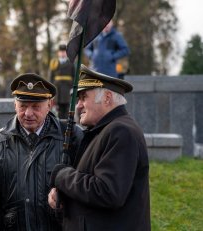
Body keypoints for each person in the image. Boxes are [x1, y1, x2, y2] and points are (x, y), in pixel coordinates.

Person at [48, 65, 151, 230]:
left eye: (83, 97)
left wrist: (62, 175)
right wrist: (65, 197)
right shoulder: (102, 131)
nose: (78, 105)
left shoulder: (121, 131)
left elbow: (107, 192)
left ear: (107, 98)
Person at [0, 73, 83, 231]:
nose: (28, 113)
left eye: (36, 107)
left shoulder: (71, 137)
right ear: (15, 105)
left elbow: (85, 186)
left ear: (50, 104)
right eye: (23, 106)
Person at [49, 44, 75, 119]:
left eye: (64, 52)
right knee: (58, 109)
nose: (62, 53)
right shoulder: (54, 63)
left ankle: (66, 124)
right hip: (58, 88)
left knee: (67, 108)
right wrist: (51, 89)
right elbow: (51, 77)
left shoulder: (71, 62)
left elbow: (74, 76)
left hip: (67, 88)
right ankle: (59, 124)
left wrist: (73, 87)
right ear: (58, 53)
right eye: (61, 51)